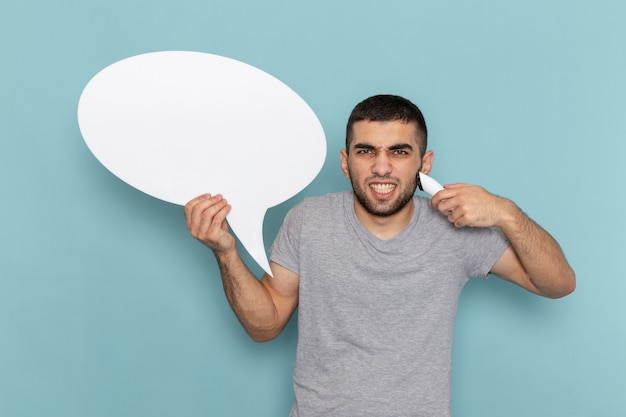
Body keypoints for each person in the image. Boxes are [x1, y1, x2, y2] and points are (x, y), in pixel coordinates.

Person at [184, 94, 575, 417]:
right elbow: (264, 326)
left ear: (425, 164)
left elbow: (558, 283)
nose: (382, 167)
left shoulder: (456, 229)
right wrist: (226, 252)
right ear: (345, 161)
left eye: (399, 151)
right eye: (366, 151)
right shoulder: (308, 221)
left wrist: (506, 212)